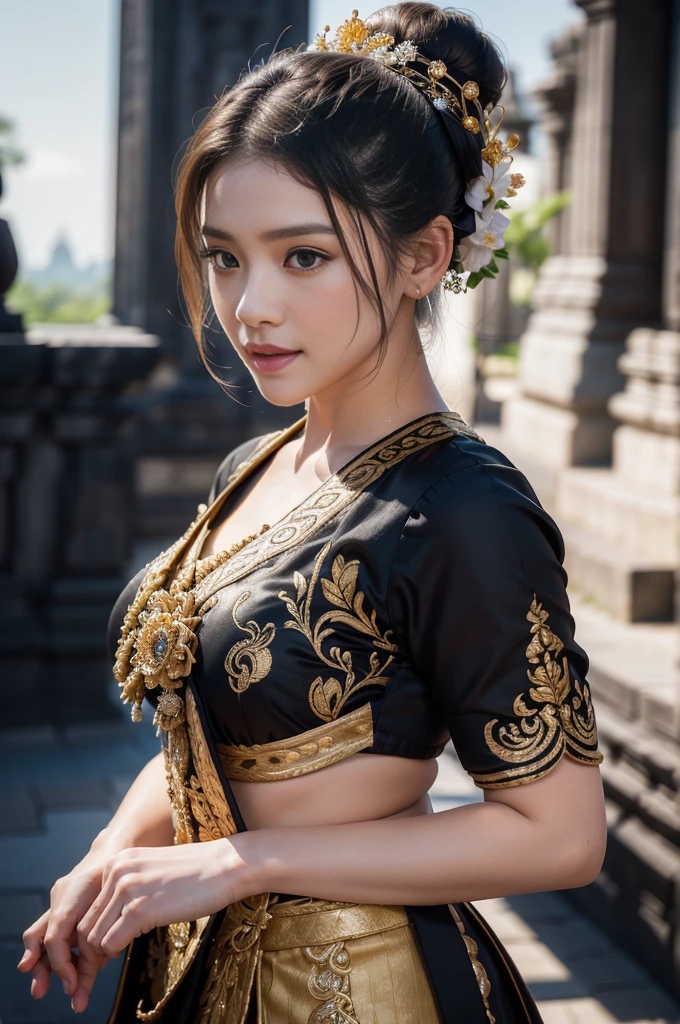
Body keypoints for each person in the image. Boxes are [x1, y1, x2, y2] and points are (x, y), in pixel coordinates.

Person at [18, 5, 606, 1021]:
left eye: (302, 256)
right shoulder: (257, 465)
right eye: (223, 256)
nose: (249, 306)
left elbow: (558, 834)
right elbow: (205, 733)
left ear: (424, 256)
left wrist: (241, 864)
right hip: (196, 970)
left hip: (359, 986)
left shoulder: (462, 506)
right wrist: (113, 856)